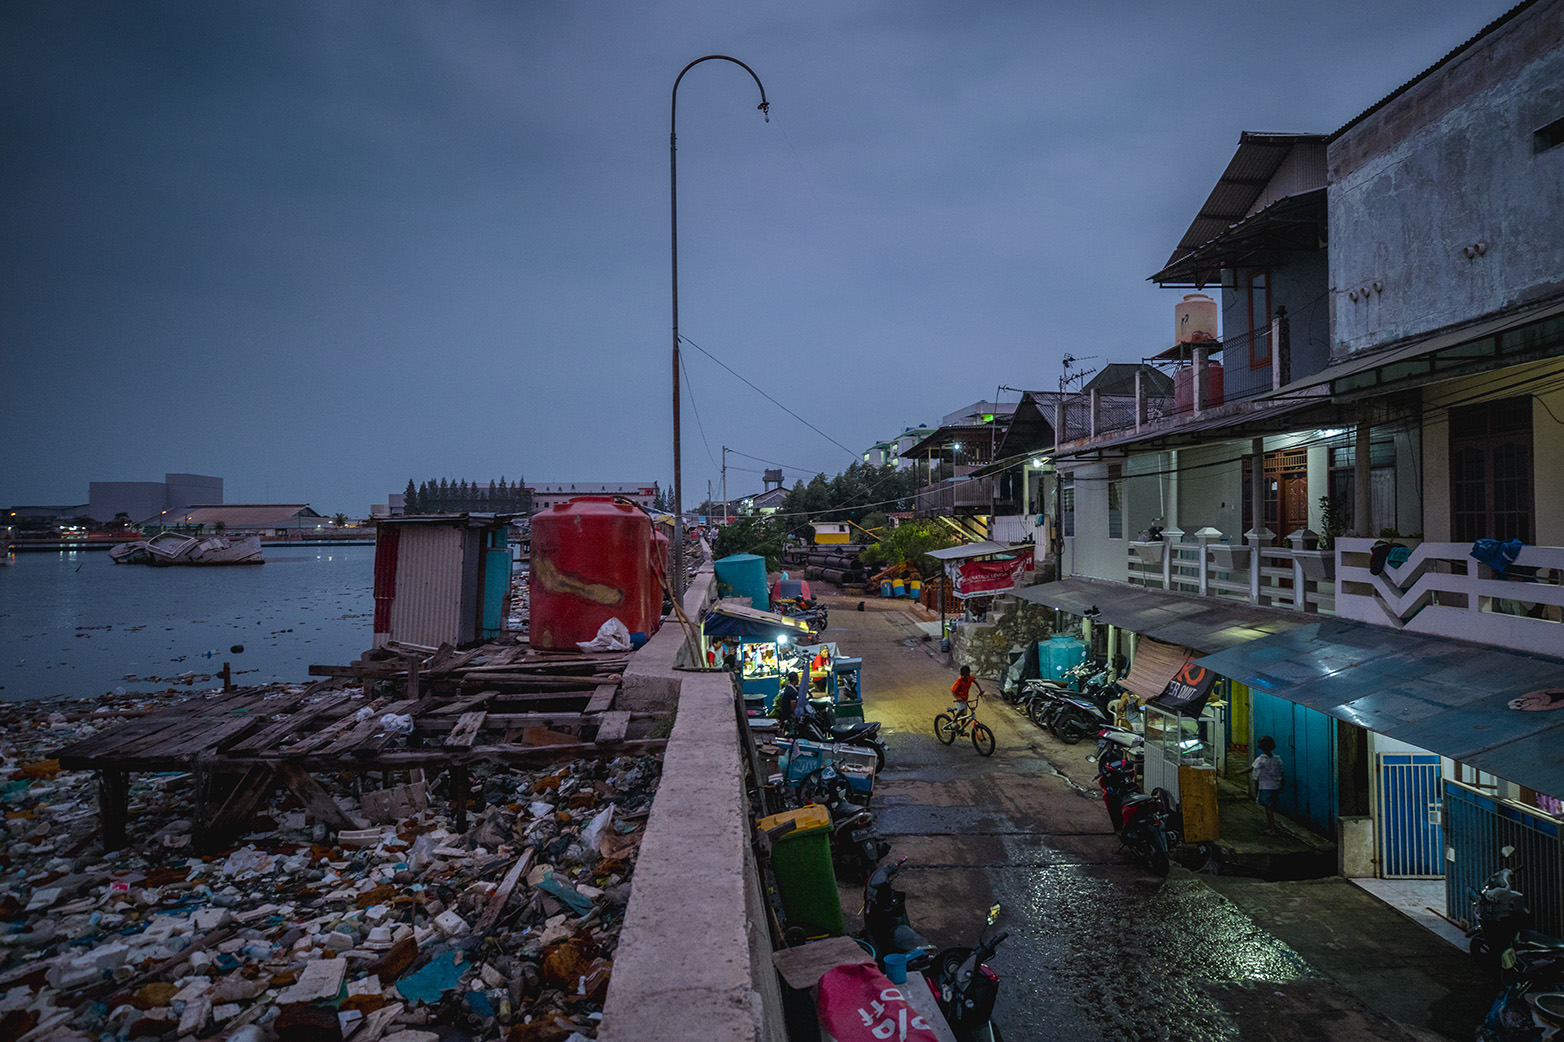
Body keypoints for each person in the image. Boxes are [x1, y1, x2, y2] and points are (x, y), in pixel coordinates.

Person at [1240, 736, 1284, 836]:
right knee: (1271, 806)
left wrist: (1239, 772)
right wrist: (1282, 785)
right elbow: (1282, 773)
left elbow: (1251, 769)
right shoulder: (1277, 759)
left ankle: (1272, 829)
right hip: (1275, 786)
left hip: (1265, 786)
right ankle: (1271, 825)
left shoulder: (1260, 760)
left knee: (1268, 808)